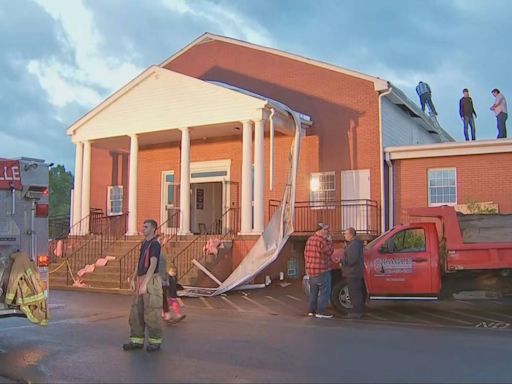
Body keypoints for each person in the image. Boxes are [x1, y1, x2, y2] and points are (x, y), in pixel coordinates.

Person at [123, 219, 163, 352]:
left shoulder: (155, 244)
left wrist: (145, 284)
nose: (143, 228)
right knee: (136, 312)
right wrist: (134, 279)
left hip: (150, 281)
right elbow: (139, 262)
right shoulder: (144, 244)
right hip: (140, 279)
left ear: (153, 229)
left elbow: (153, 264)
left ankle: (155, 342)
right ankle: (136, 340)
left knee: (152, 313)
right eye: (143, 226)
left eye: (146, 227)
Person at [304, 223, 334, 319]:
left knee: (313, 292)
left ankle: (311, 311)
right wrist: (330, 241)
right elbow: (329, 252)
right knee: (325, 292)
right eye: (325, 230)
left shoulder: (310, 240)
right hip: (322, 270)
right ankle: (321, 311)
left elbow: (305, 253)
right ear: (320, 230)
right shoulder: (322, 241)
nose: (327, 232)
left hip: (311, 270)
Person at [342, 227, 365, 319]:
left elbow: (352, 259)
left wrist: (342, 261)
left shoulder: (354, 245)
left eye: (346, 234)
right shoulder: (354, 244)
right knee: (356, 292)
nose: (344, 235)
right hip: (355, 271)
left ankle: (357, 312)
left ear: (350, 234)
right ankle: (357, 310)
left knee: (354, 292)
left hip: (353, 272)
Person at [159, 248, 172, 322]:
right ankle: (164, 312)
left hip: (160, 279)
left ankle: (166, 313)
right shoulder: (160, 254)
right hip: (160, 279)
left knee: (162, 297)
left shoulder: (159, 255)